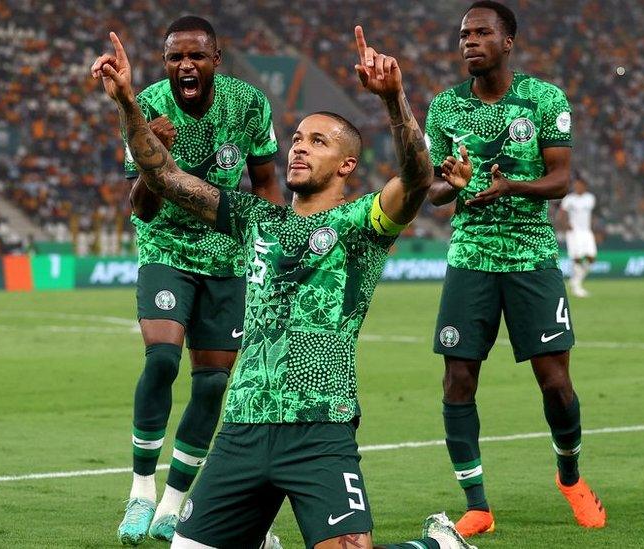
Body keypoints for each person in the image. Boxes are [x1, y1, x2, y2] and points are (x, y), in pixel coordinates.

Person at [93, 26, 477, 549]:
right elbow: (162, 177)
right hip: (242, 429)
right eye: (296, 138)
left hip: (319, 427)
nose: (299, 147)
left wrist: (394, 100)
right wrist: (126, 104)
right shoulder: (255, 219)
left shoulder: (362, 225)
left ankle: (439, 545)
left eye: (317, 141)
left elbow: (413, 180)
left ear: (346, 165)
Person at [424, 0, 606, 537]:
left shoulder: (544, 99)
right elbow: (431, 190)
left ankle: (570, 476)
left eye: (481, 33)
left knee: (555, 383)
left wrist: (512, 186)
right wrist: (451, 184)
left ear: (507, 42)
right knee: (458, 379)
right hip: (470, 257)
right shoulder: (445, 108)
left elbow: (561, 180)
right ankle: (477, 503)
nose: (469, 43)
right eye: (463, 35)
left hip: (531, 256)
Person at [100, 15, 283, 545]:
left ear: (215, 61)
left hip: (229, 258)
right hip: (168, 249)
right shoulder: (145, 106)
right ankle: (140, 492)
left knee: (212, 383)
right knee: (161, 359)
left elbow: (267, 182)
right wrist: (152, 155)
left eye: (196, 56)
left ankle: (175, 504)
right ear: (165, 64)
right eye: (176, 57)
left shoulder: (248, 104)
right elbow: (142, 207)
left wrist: (270, 252)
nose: (186, 65)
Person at [558, 178, 596, 297]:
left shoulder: (590, 198)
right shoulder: (569, 199)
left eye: (580, 185)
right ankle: (577, 286)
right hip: (574, 232)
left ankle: (575, 280)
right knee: (577, 257)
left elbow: (591, 215)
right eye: (576, 185)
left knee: (591, 257)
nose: (577, 187)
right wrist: (565, 225)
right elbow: (561, 214)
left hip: (586, 232)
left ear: (585, 186)